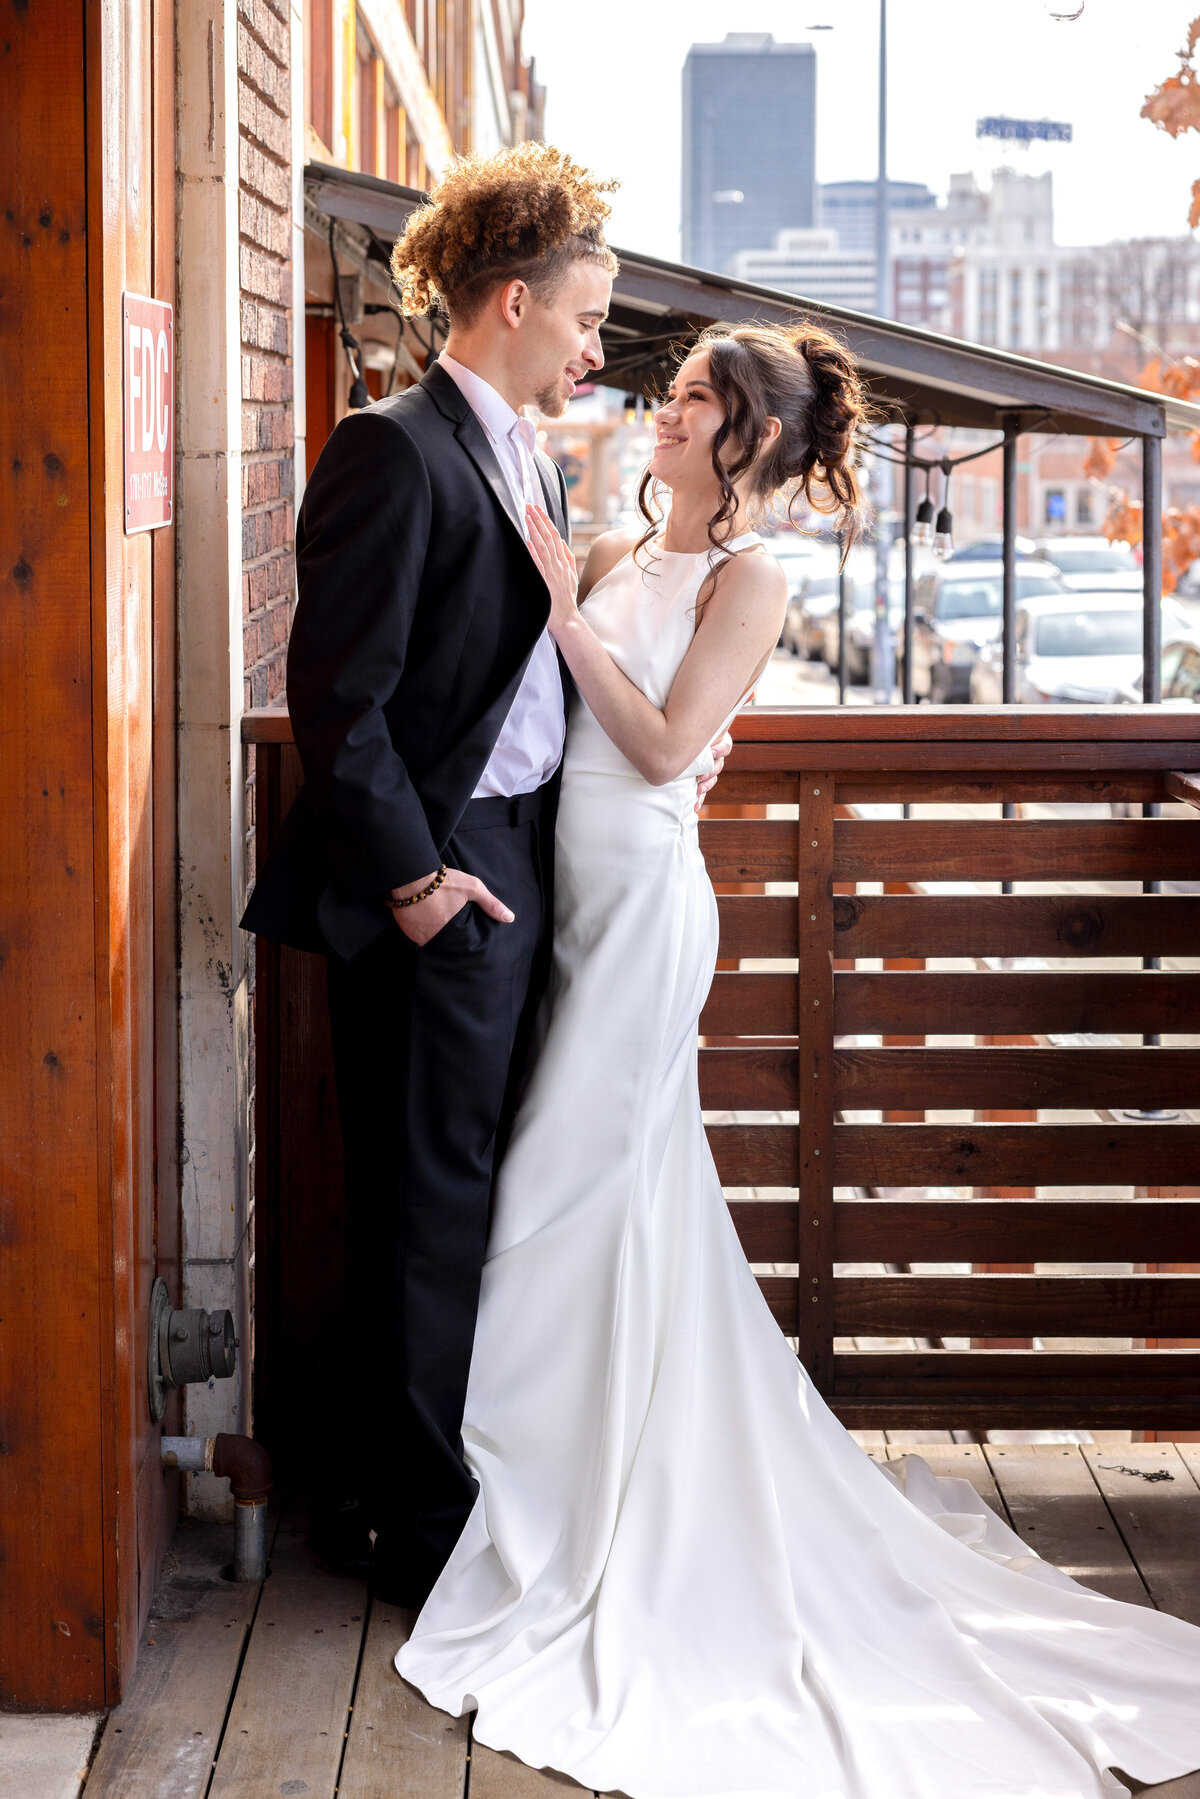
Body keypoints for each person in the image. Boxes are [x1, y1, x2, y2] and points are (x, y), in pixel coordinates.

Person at [395, 319, 1200, 1799]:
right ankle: (574, 1477)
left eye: (693, 398)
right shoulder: (639, 552)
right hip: (576, 904)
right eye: (674, 391)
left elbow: (659, 745)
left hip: (644, 909)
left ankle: (587, 1504)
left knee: (579, 1192)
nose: (666, 409)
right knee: (599, 1201)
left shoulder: (750, 578)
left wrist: (569, 623)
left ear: (746, 436)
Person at [241, 142, 729, 1606]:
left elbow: (512, 672)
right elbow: (338, 692)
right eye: (586, 321)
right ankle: (408, 1525)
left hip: (527, 864)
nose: (599, 351)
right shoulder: (391, 445)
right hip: (444, 881)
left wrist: (668, 747)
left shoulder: (517, 446)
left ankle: (441, 1482)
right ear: (513, 301)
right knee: (426, 1199)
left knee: (476, 1189)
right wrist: (414, 883)